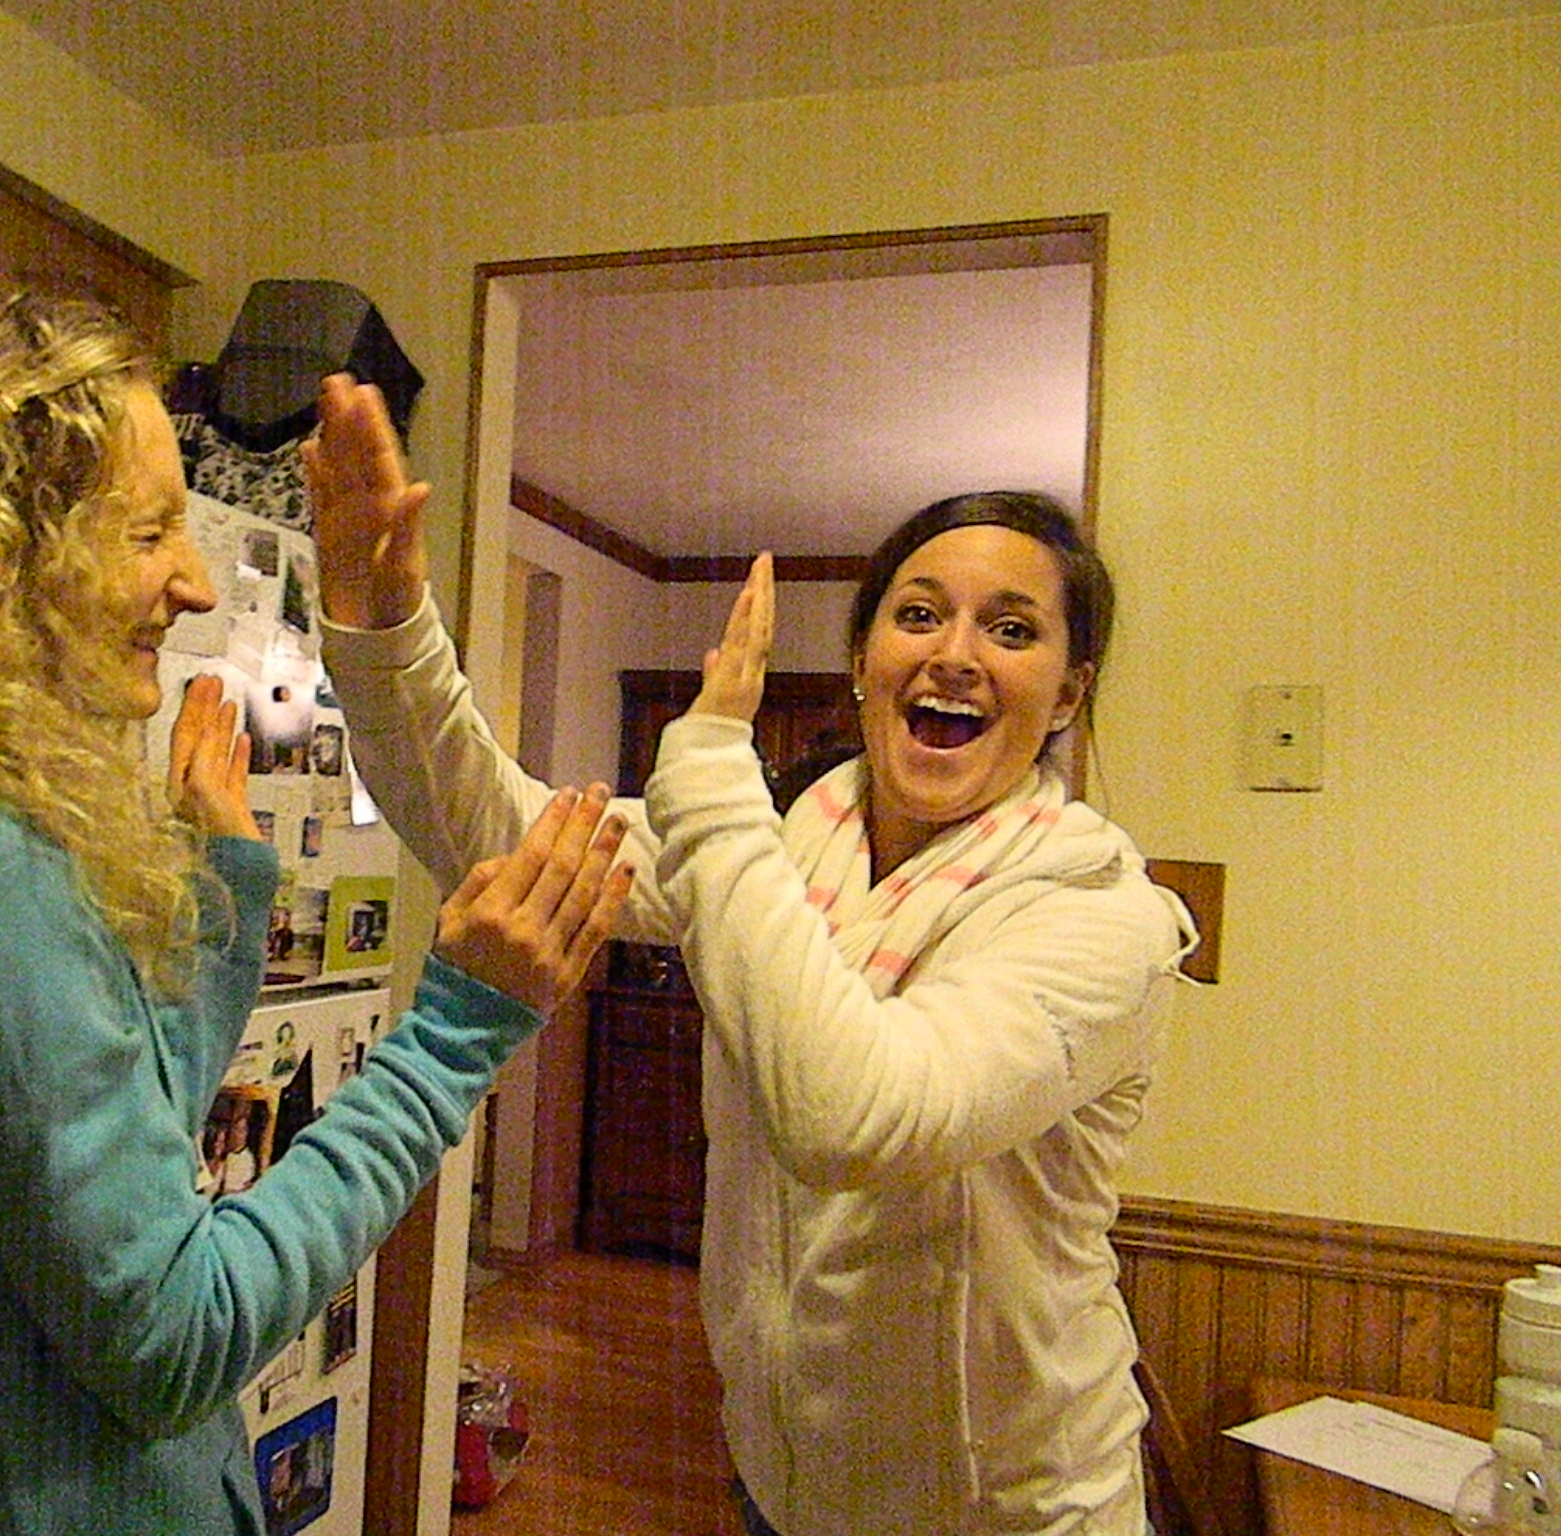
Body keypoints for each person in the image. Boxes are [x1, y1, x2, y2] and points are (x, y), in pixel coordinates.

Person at [0, 294, 632, 1536]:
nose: (193, 581)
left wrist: (229, 893)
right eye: (146, 532)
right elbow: (175, 1337)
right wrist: (455, 1035)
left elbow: (99, 1176)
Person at [304, 375, 1197, 1535]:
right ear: (864, 656)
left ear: (1069, 692)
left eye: (1011, 629)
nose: (955, 654)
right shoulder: (785, 848)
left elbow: (856, 1118)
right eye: (918, 615)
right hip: (780, 1489)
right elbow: (502, 832)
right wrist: (386, 626)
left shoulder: (1100, 916)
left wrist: (709, 765)